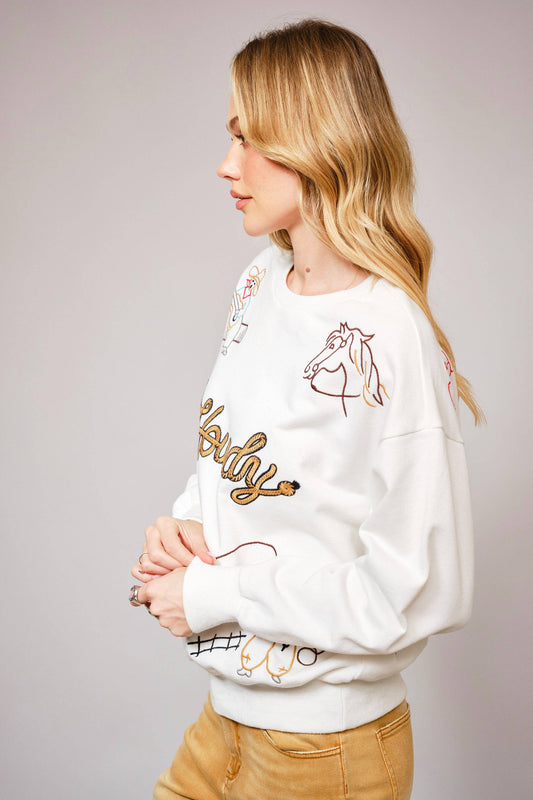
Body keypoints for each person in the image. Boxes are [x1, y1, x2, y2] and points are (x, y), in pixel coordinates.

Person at [129, 17, 483, 800]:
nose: (226, 165)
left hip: (324, 751)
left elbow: (420, 590)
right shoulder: (259, 281)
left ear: (314, 141)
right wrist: (187, 526)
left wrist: (212, 596)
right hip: (226, 718)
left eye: (247, 138)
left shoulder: (390, 335)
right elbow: (239, 455)